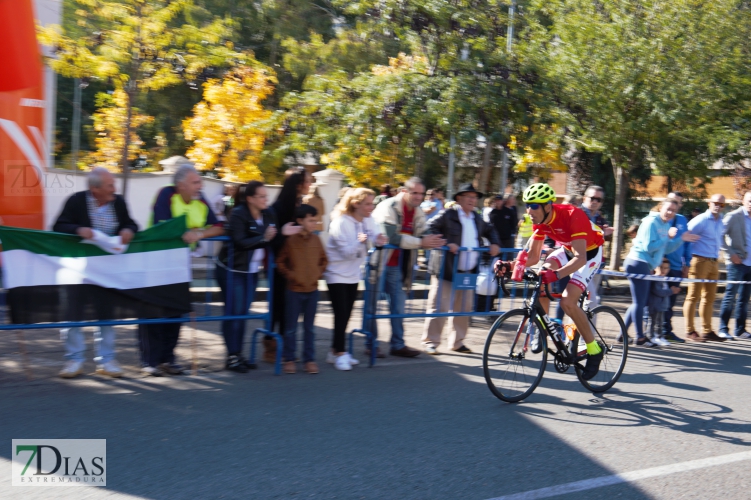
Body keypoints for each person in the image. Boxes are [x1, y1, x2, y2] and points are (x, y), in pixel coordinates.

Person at [495, 183, 608, 379]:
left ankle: (594, 349)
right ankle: (543, 327)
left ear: (548, 205)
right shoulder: (539, 221)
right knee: (541, 275)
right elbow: (532, 257)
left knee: (567, 301)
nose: (530, 210)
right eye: (528, 205)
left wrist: (557, 275)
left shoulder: (574, 215)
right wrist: (510, 265)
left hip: (589, 255)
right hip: (566, 251)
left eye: (535, 205)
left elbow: (580, 258)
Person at [139, 165, 224, 376]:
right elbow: (165, 226)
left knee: (175, 311)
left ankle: (168, 358)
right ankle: (150, 361)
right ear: (180, 185)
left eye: (199, 182)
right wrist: (188, 231)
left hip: (180, 264)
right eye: (195, 182)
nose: (200, 186)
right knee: (153, 312)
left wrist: (199, 234)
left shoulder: (200, 198)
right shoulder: (166, 194)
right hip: (156, 261)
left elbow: (220, 226)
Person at [53, 167, 138, 379]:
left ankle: (106, 361)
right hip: (77, 269)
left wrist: (128, 230)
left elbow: (130, 222)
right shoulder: (76, 201)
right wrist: (77, 229)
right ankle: (74, 360)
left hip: (107, 270)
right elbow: (58, 226)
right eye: (110, 185)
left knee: (105, 313)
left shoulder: (118, 202)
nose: (114, 189)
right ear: (95, 189)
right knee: (73, 314)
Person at [370, 177, 446, 357]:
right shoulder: (388, 207)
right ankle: (370, 343)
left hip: (397, 265)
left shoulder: (417, 211)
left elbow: (423, 231)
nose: (419, 197)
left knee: (398, 306)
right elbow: (391, 237)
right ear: (404, 191)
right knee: (370, 307)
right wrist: (421, 242)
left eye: (421, 193)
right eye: (415, 193)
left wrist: (434, 239)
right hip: (377, 263)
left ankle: (398, 344)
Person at [421, 184, 500, 354]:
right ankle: (431, 341)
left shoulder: (476, 218)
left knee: (464, 308)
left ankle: (457, 342)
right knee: (438, 306)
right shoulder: (448, 214)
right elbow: (429, 227)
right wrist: (445, 243)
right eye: (469, 197)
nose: (473, 200)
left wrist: (494, 243)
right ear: (459, 199)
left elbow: (490, 229)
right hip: (446, 269)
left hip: (468, 271)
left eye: (474, 197)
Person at [215, 181, 277, 373]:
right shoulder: (239, 213)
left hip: (251, 271)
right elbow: (240, 242)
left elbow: (274, 232)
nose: (265, 199)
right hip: (233, 270)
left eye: (266, 196)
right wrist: (264, 238)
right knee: (234, 314)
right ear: (250, 199)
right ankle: (232, 356)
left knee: (242, 314)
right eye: (261, 196)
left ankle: (238, 354)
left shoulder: (268, 213)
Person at [324, 188, 388, 371]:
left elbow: (374, 234)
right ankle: (341, 353)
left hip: (353, 274)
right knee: (341, 314)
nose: (371, 207)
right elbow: (345, 252)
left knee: (347, 314)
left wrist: (379, 239)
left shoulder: (368, 219)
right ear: (355, 204)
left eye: (372, 203)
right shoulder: (340, 222)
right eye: (367, 203)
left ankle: (334, 351)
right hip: (336, 273)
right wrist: (360, 241)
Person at [623, 200, 698, 344]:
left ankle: (622, 334)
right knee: (640, 302)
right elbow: (648, 247)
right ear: (660, 207)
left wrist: (680, 239)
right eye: (668, 209)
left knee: (638, 302)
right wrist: (667, 237)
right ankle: (640, 337)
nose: (670, 213)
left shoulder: (665, 225)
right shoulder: (650, 222)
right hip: (637, 261)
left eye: (673, 211)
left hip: (645, 264)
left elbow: (666, 249)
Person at [265, 167, 312, 362]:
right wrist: (283, 233)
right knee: (277, 306)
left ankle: (285, 347)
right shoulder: (276, 208)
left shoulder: (300, 205)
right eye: (308, 181)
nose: (311, 184)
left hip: (295, 265)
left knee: (290, 308)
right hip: (279, 266)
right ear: (298, 184)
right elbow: (269, 240)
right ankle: (270, 345)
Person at [276, 204, 328, 374]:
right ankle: (289, 358)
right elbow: (280, 261)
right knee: (290, 328)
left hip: (312, 290)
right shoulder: (291, 241)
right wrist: (292, 275)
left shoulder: (316, 240)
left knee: (309, 328)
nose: (314, 223)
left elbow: (324, 260)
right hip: (294, 291)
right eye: (311, 220)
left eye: (316, 220)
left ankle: (309, 359)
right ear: (300, 220)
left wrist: (317, 274)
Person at [684, 194, 726, 342]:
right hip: (699, 261)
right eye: (715, 203)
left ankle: (707, 330)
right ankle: (690, 330)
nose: (718, 206)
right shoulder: (701, 220)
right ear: (709, 203)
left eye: (721, 204)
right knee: (693, 296)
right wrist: (686, 260)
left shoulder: (720, 221)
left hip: (714, 262)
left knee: (709, 298)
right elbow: (685, 236)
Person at [719, 191, 751, 339]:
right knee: (730, 296)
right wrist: (730, 253)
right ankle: (723, 328)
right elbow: (719, 236)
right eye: (749, 201)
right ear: (743, 201)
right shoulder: (733, 216)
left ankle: (740, 330)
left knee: (744, 299)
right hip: (736, 263)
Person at [662, 192, 692, 343]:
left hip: (676, 267)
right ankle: (652, 331)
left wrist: (687, 263)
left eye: (678, 202)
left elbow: (687, 243)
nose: (675, 204)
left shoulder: (682, 220)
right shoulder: (658, 218)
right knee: (657, 298)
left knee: (671, 300)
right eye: (672, 201)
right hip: (661, 266)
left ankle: (666, 330)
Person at [580, 186, 614, 311]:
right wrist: (602, 233)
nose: (595, 202)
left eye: (598, 200)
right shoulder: (577, 213)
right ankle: (585, 330)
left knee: (587, 303)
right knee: (591, 300)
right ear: (585, 198)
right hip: (579, 263)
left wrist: (607, 234)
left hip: (596, 263)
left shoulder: (600, 218)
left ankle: (575, 329)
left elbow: (602, 240)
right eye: (592, 198)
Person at [645, 259, 682, 347]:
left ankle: (660, 336)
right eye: (661, 267)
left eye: (666, 268)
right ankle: (650, 337)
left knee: (660, 323)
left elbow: (664, 292)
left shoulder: (664, 279)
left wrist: (671, 291)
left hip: (662, 306)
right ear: (656, 268)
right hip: (654, 306)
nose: (663, 270)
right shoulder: (655, 279)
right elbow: (659, 291)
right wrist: (671, 291)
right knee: (652, 322)